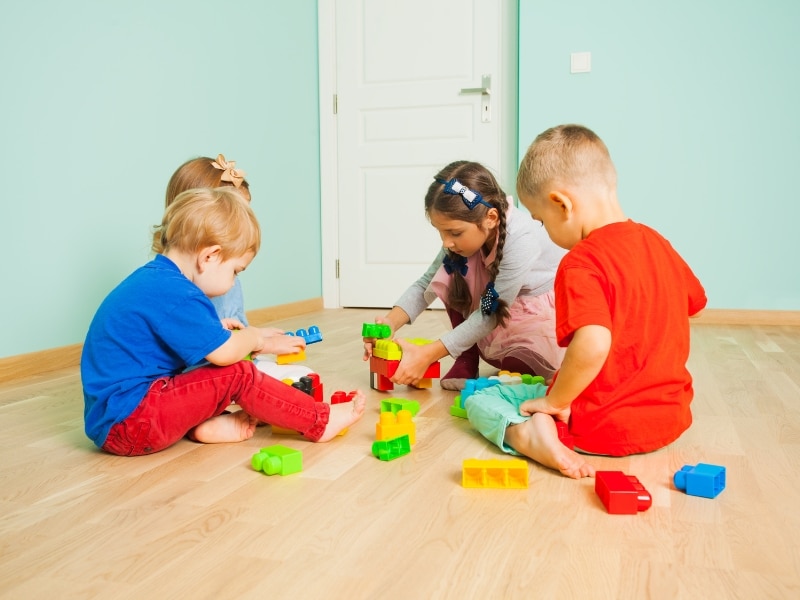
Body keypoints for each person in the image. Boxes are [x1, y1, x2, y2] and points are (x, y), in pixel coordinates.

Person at [465, 124, 707, 479]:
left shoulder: (581, 262)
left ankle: (528, 437)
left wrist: (555, 402)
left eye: (542, 221)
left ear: (561, 204)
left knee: (482, 402)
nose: (544, 231)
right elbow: (694, 307)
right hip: (671, 420)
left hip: (600, 428)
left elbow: (594, 342)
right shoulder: (659, 244)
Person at [82, 187, 365, 456]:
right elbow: (225, 355)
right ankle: (319, 421)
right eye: (236, 271)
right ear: (210, 256)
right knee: (238, 374)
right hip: (132, 423)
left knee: (207, 369)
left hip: (117, 421)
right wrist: (254, 338)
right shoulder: (179, 294)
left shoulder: (158, 281)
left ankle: (203, 427)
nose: (233, 283)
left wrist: (217, 333)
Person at [363, 160, 567, 391]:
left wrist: (429, 354)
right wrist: (390, 323)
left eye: (454, 233)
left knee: (522, 365)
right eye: (440, 232)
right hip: (495, 303)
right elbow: (425, 284)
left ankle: (475, 348)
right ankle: (466, 356)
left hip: (530, 307)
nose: (446, 242)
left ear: (490, 218)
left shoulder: (521, 239)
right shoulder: (460, 239)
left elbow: (490, 312)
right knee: (448, 272)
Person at [164, 154, 305, 360]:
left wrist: (252, 334)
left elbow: (218, 329)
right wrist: (262, 342)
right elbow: (207, 348)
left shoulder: (217, 277)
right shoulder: (179, 290)